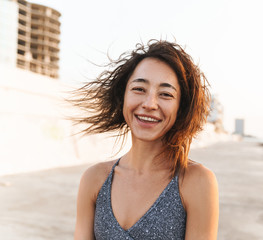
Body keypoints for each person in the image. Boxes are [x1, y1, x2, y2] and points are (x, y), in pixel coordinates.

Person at [73, 40, 219, 240]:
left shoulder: (196, 182)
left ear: (180, 107)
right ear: (123, 96)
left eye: (166, 94)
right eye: (139, 89)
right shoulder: (94, 179)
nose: (150, 104)